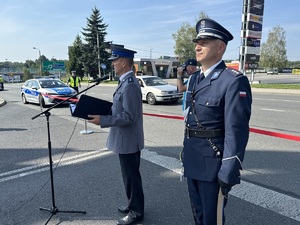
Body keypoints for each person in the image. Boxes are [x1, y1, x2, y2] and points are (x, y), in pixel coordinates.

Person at [181, 18, 252, 225]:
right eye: (197, 42)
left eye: (204, 42)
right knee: (198, 215)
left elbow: (236, 131)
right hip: (193, 158)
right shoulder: (195, 78)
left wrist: (229, 169)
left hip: (213, 164)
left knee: (213, 219)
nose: (197, 46)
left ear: (220, 47)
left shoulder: (232, 80)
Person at [88, 44, 144, 225]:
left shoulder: (130, 85)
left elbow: (129, 116)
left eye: (115, 61)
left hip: (129, 141)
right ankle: (132, 204)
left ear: (125, 63)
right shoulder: (124, 82)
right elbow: (118, 108)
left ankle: (136, 212)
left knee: (131, 177)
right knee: (129, 177)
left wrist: (103, 120)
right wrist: (102, 111)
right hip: (124, 140)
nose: (112, 64)